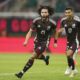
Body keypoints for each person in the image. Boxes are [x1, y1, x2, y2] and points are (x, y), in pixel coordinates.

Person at [15, 5, 58, 78]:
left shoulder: (52, 23)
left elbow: (55, 32)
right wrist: (26, 40)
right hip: (37, 41)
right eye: (42, 12)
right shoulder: (36, 21)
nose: (43, 14)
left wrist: (55, 42)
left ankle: (21, 73)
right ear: (40, 13)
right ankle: (45, 58)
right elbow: (30, 31)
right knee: (37, 56)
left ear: (48, 13)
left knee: (32, 56)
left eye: (45, 12)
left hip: (45, 42)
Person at [58, 7, 80, 77]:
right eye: (66, 13)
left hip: (76, 40)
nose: (67, 14)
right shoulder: (63, 20)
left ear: (72, 12)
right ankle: (73, 70)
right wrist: (58, 32)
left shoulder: (77, 20)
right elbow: (60, 30)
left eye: (69, 12)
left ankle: (69, 68)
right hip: (69, 40)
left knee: (69, 54)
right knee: (68, 56)